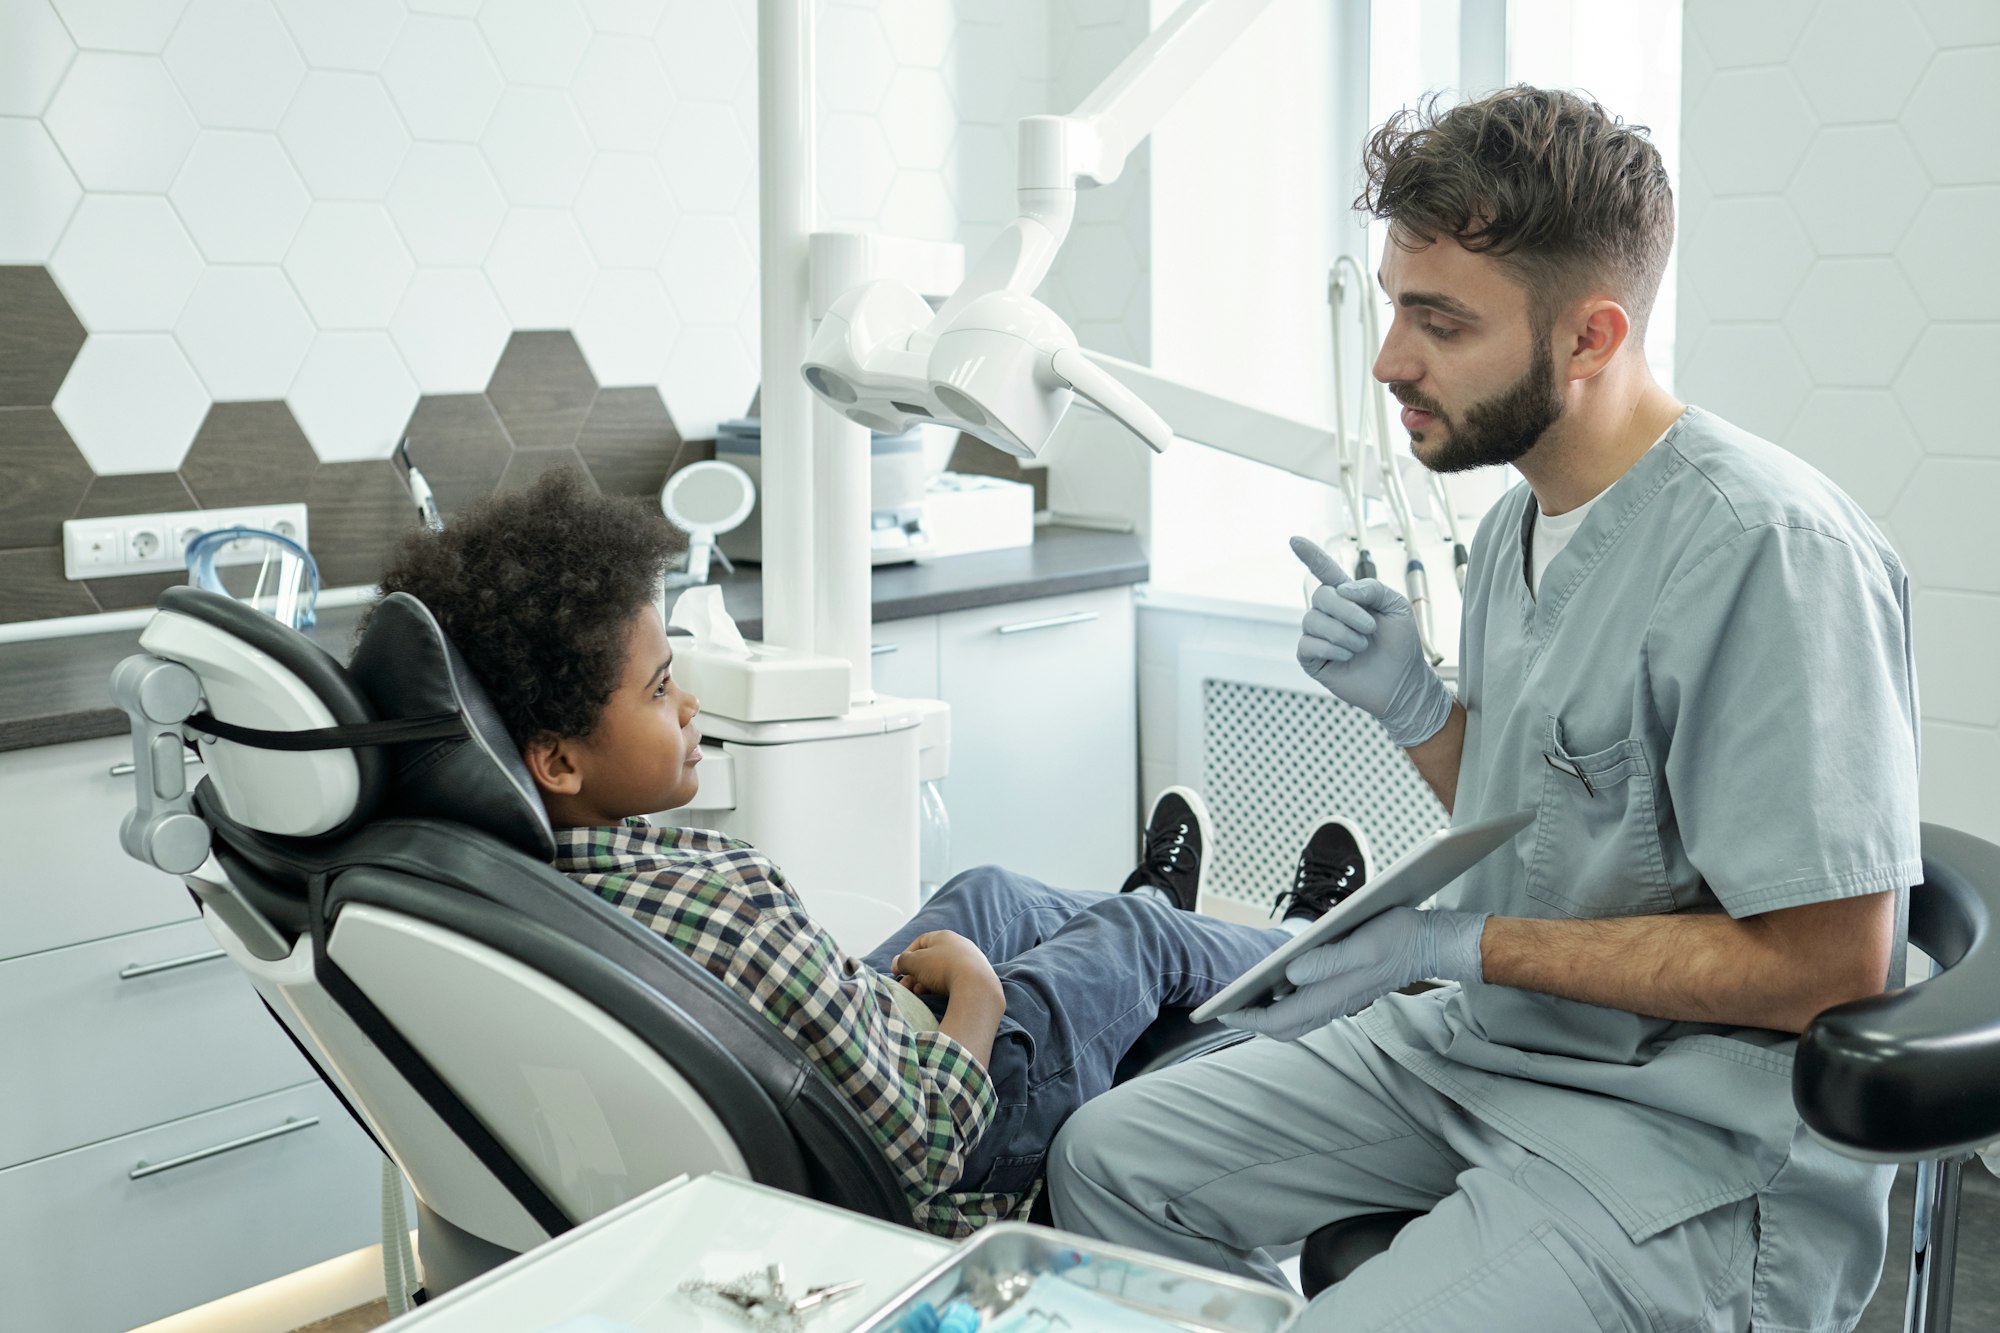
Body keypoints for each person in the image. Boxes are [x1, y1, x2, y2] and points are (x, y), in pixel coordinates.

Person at [1046, 85, 1920, 1333]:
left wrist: (1451, 944)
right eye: (1399, 304)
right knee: (1104, 1157)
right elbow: (1547, 823)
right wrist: (1412, 709)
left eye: (1439, 322)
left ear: (1588, 338)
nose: (1389, 358)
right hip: (1493, 1044)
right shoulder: (1516, 518)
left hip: (1686, 1127)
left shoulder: (1768, 552)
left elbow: (1824, 968)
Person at [370, 467, 1371, 1238]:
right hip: (965, 1124)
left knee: (981, 888)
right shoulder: (730, 899)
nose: (687, 703)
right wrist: (976, 992)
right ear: (553, 758)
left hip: (853, 1046)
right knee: (1130, 935)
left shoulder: (547, 865)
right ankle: (1310, 944)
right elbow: (929, 1143)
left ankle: (1176, 936)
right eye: (658, 683)